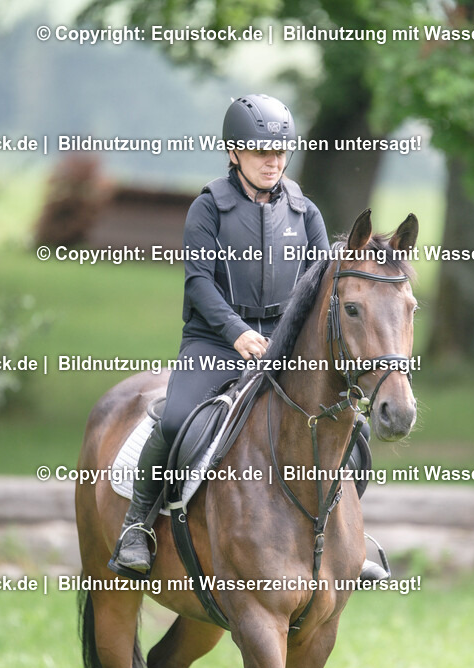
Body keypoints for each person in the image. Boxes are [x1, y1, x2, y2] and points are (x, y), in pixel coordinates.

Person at [108, 94, 386, 582]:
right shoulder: (208, 207)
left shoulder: (306, 213)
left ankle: (349, 540)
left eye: (280, 152)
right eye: (261, 152)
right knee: (174, 421)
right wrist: (236, 334)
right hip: (214, 341)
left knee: (353, 429)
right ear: (234, 153)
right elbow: (198, 283)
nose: (272, 162)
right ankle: (139, 527)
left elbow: (322, 287)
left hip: (283, 342)